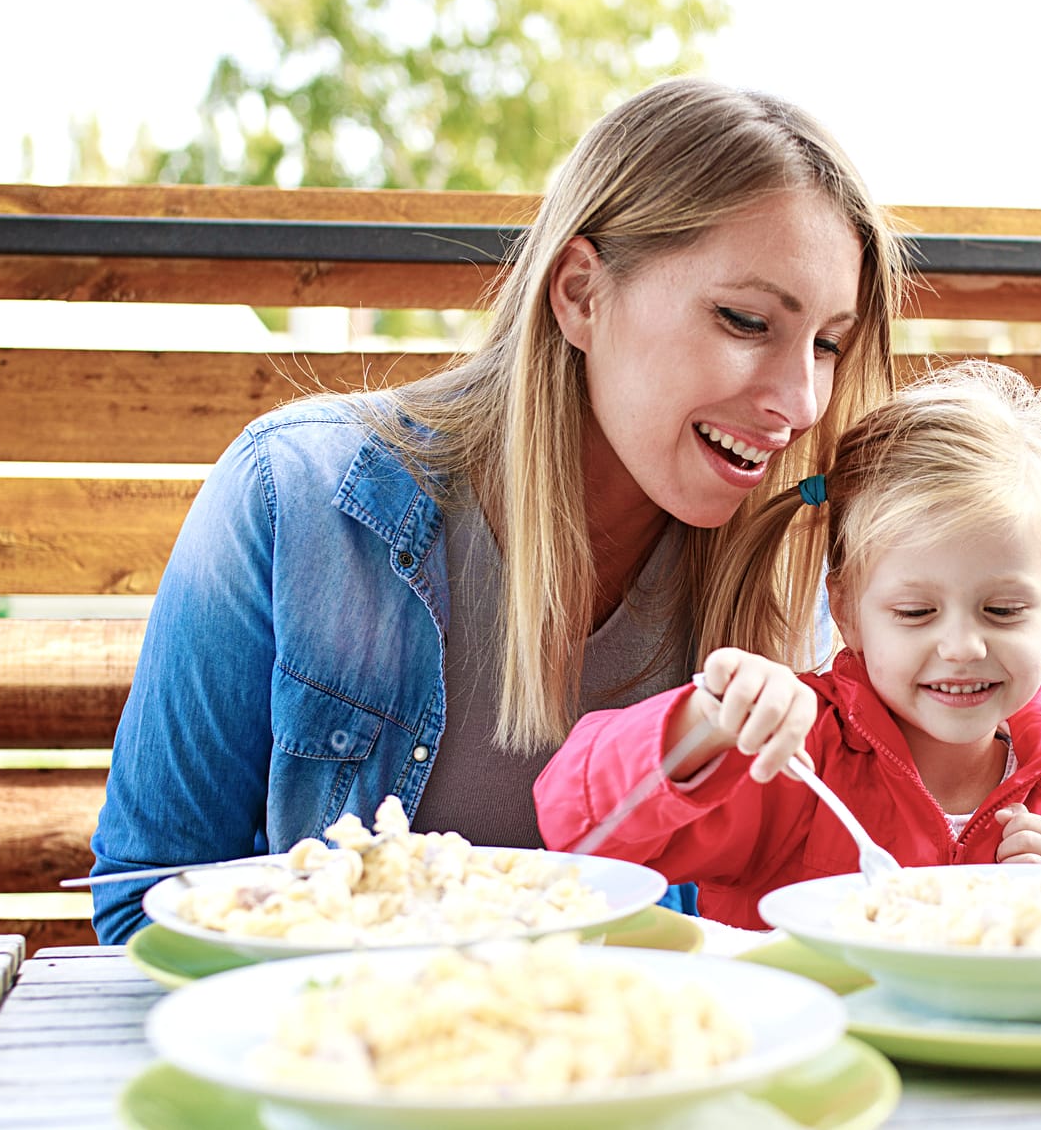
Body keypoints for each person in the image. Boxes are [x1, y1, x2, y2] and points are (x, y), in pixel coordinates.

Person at [88, 79, 910, 944]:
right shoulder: (295, 497)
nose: (803, 399)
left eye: (829, 344)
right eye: (746, 321)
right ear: (582, 294)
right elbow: (140, 902)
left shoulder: (796, 579)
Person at [535, 361, 1041, 927]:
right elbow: (578, 825)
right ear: (845, 608)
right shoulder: (794, 762)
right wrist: (703, 728)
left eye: (1002, 608)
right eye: (915, 611)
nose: (963, 645)